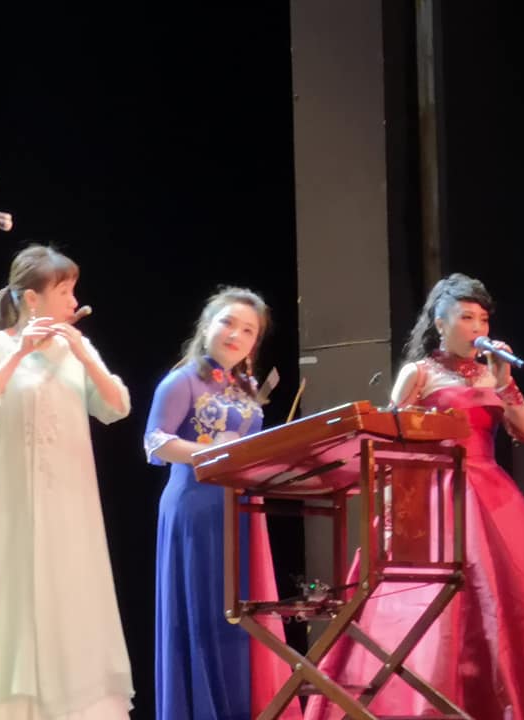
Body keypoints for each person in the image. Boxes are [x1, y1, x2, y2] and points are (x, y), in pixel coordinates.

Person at [305, 273, 524, 720]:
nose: (477, 328)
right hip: (434, 495)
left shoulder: (491, 372)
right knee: (432, 605)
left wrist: (504, 382)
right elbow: (390, 442)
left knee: (506, 601)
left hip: (491, 494)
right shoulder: (419, 373)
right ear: (440, 323)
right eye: (466, 318)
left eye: (483, 319)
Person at [0, 244, 134, 719]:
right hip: (12, 502)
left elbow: (117, 407)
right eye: (64, 292)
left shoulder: (73, 349)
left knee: (70, 588)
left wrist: (84, 354)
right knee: (15, 589)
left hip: (70, 500)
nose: (73, 301)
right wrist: (20, 352)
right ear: (32, 298)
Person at [144, 286, 300, 720]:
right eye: (228, 322)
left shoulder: (244, 388)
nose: (236, 334)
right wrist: (214, 454)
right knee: (205, 610)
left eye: (248, 330)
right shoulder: (182, 380)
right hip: (196, 507)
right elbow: (154, 442)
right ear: (206, 325)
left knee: (241, 614)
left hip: (241, 509)